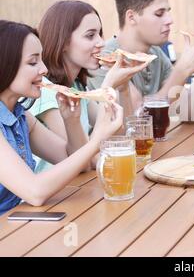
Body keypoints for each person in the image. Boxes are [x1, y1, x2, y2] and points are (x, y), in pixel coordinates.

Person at [0, 20, 123, 215]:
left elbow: (78, 165)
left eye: (41, 60)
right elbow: (35, 192)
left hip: (16, 224)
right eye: (33, 62)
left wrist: (71, 120)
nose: (44, 69)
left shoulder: (21, 115)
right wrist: (97, 140)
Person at [87, 0, 194, 118]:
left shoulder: (155, 54)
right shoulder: (103, 59)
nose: (170, 20)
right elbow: (137, 118)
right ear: (131, 17)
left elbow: (189, 112)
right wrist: (181, 70)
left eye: (168, 12)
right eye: (159, 13)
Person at [30, 0, 146, 172]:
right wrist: (108, 86)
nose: (101, 42)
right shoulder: (47, 91)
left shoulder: (76, 87)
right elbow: (85, 160)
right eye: (90, 35)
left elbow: (120, 135)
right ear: (63, 42)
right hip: (61, 193)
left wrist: (123, 87)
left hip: (82, 187)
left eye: (100, 34)